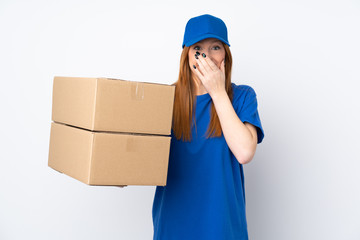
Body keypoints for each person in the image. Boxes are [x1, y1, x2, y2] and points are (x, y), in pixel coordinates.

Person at [152, 14, 265, 240]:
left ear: (225, 54)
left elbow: (244, 152)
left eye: (215, 47)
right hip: (173, 224)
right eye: (198, 48)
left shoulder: (242, 96)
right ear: (187, 55)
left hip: (222, 228)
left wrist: (217, 91)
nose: (206, 56)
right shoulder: (164, 99)